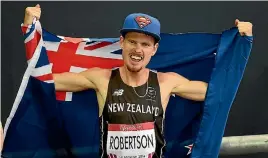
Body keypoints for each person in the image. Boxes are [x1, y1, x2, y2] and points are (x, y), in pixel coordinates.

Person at [23, 4, 253, 158]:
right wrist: (29, 30)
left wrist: (240, 43)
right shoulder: (101, 78)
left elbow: (219, 93)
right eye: (133, 42)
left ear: (155, 49)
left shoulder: (167, 82)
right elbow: (43, 80)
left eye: (145, 44)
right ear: (121, 42)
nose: (137, 49)